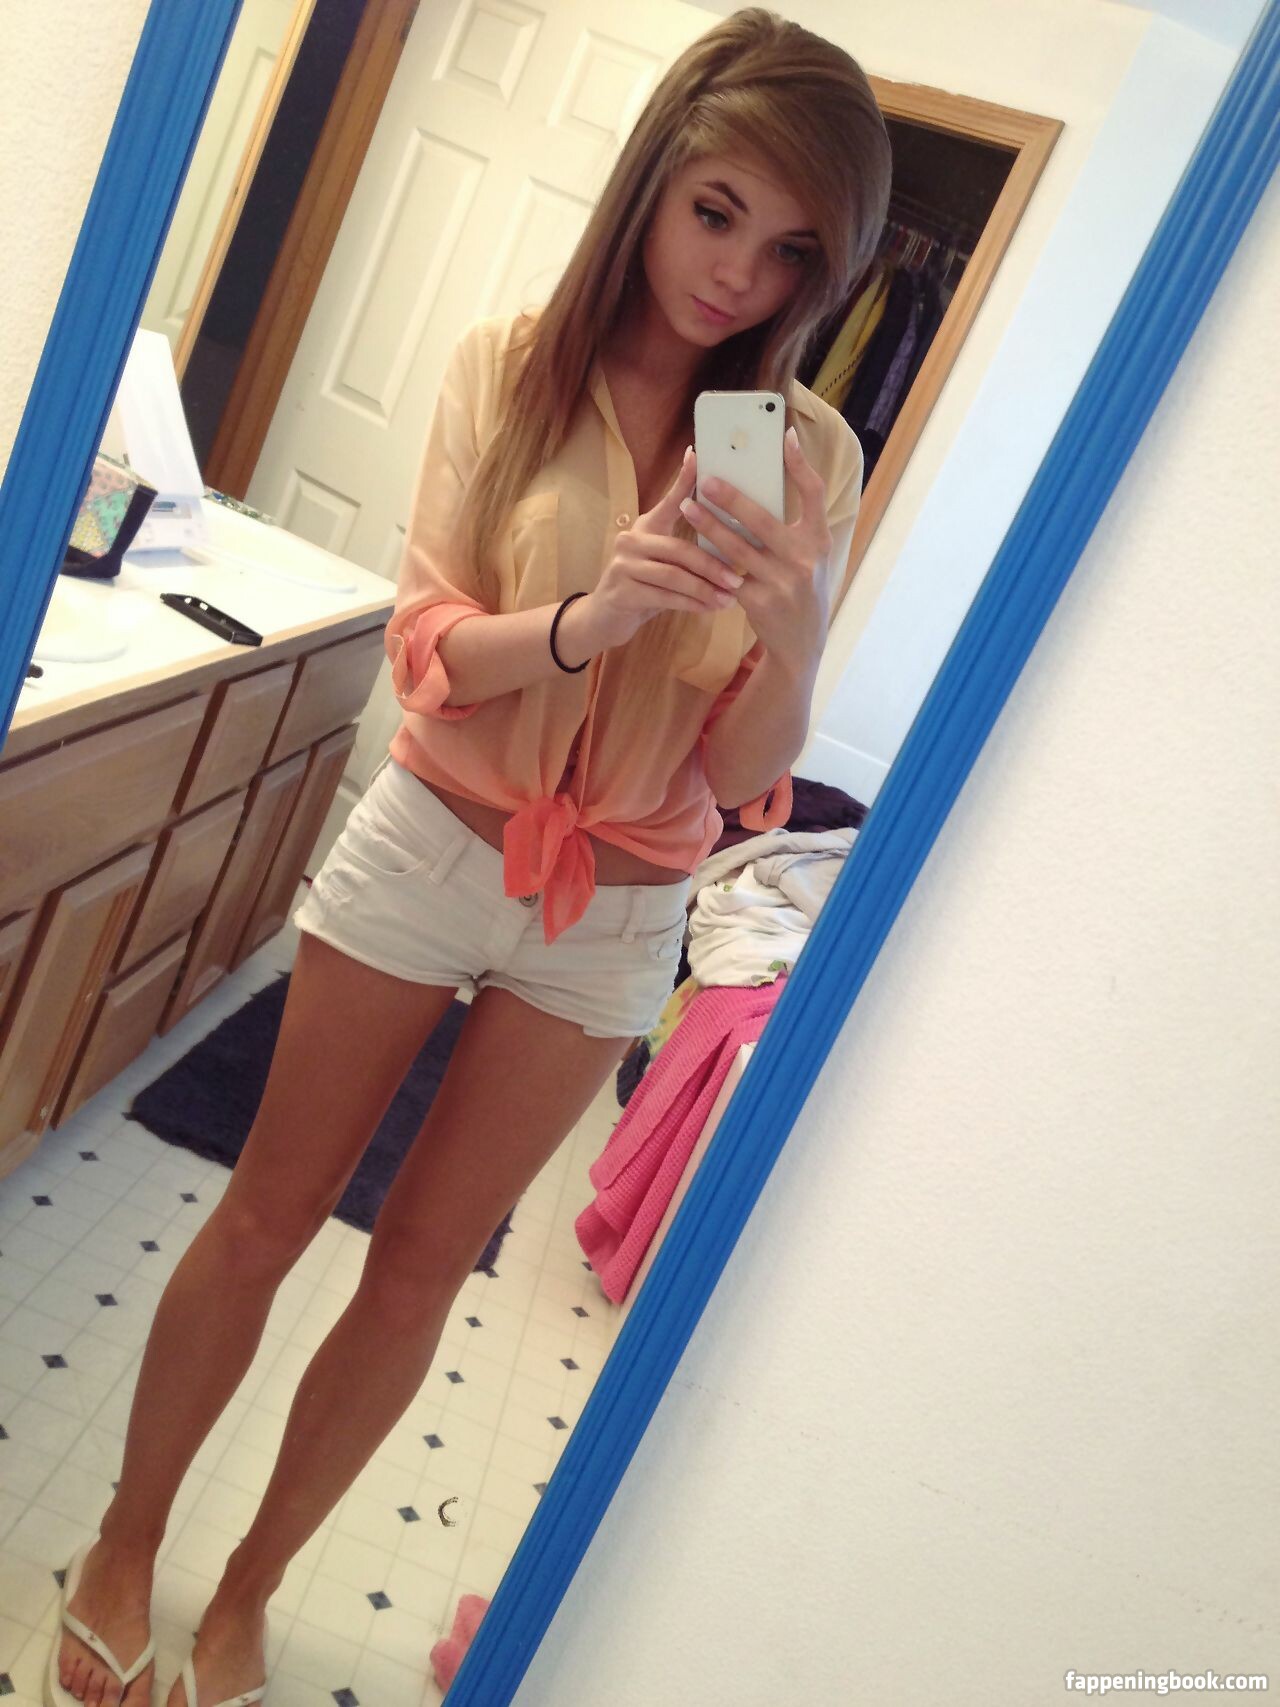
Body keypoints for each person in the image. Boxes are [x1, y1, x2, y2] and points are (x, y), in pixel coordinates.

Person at [47, 10, 890, 1705]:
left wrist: (793, 629)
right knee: (270, 1210)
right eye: (716, 211)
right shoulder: (511, 367)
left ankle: (249, 1588)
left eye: (794, 248)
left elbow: (743, 778)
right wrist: (596, 612)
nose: (738, 273)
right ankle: (129, 1537)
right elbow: (425, 645)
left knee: (425, 1265)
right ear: (656, 182)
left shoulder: (804, 456)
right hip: (436, 841)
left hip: (619, 913)